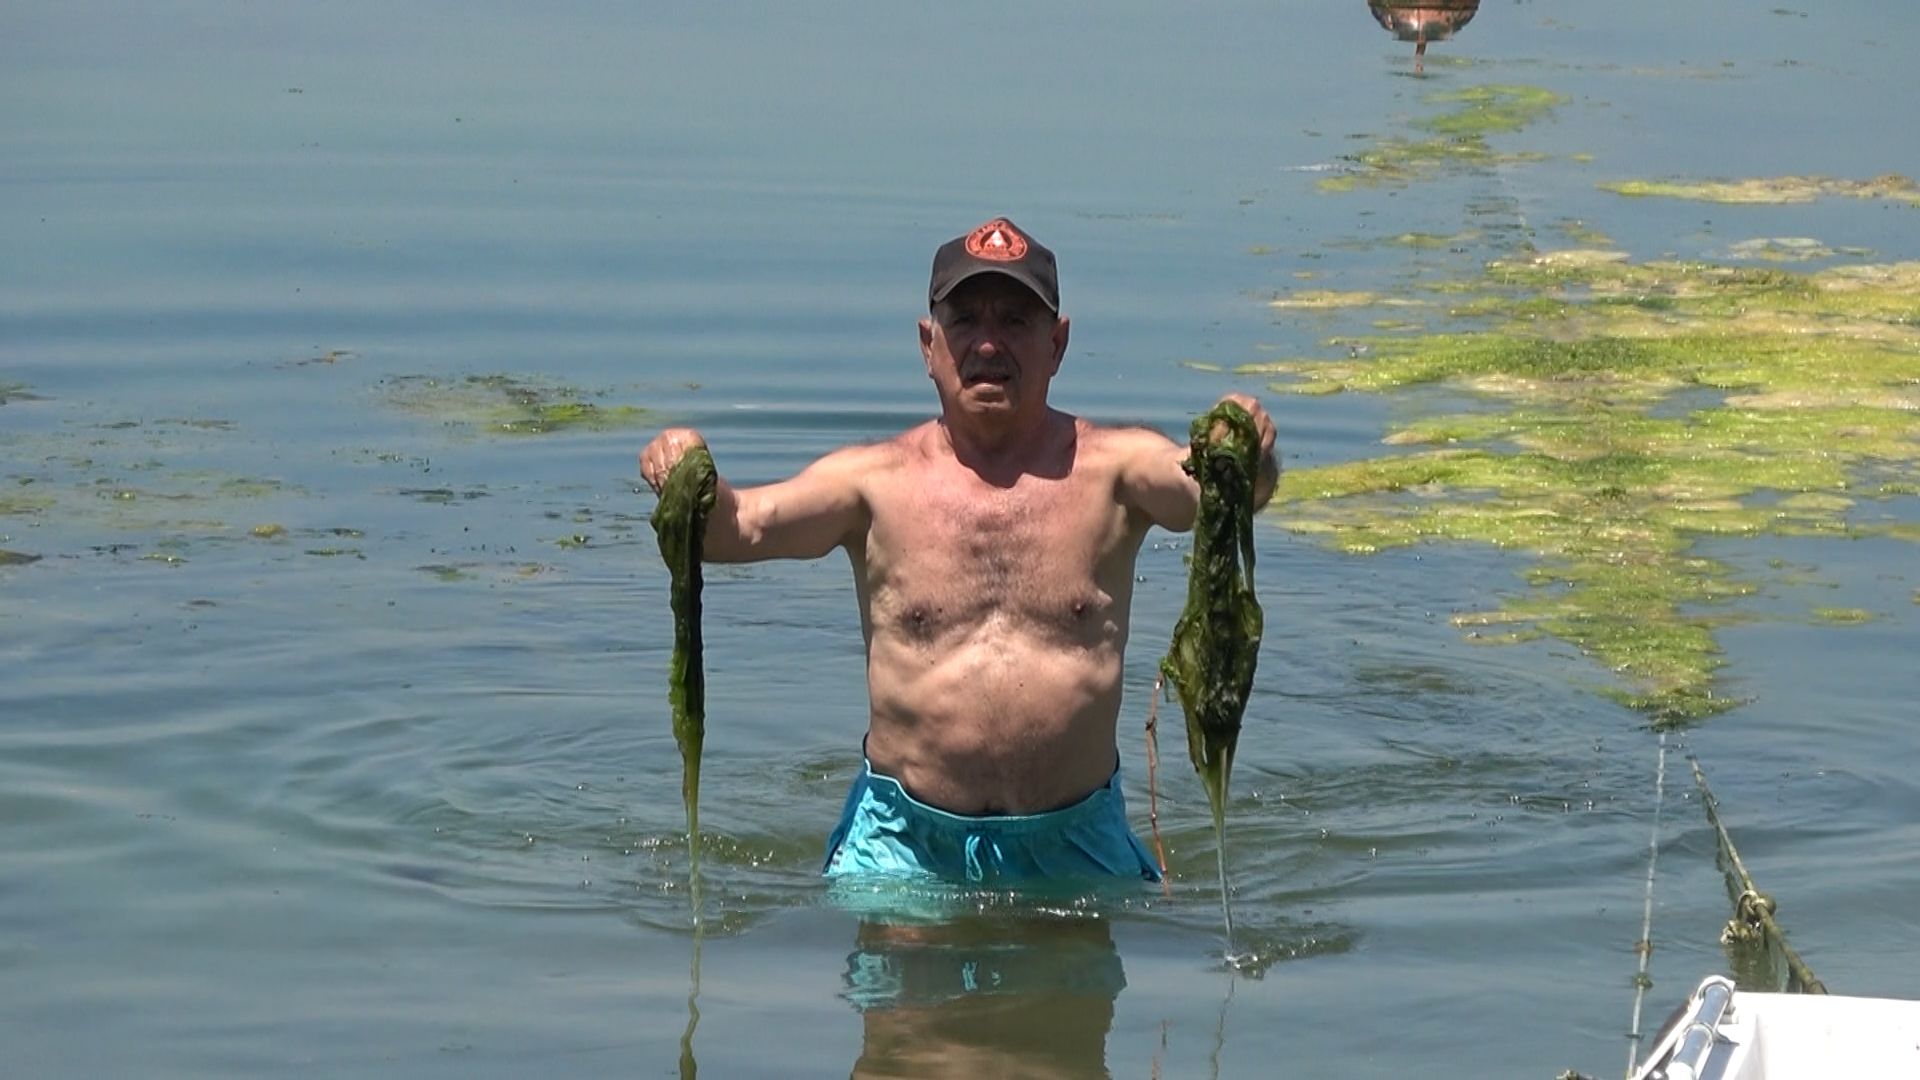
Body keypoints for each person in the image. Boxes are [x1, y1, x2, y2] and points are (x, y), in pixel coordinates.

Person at [640, 217, 1278, 886]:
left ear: (1057, 344)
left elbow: (1223, 497)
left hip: (1075, 840)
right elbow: (738, 530)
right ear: (928, 343)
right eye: (966, 319)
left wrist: (1244, 449)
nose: (989, 343)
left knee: (1077, 991)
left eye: (1016, 321)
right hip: (903, 844)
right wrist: (688, 471)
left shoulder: (1117, 473)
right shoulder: (873, 483)